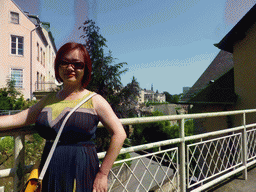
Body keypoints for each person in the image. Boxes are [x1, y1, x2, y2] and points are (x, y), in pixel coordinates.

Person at [0, 42, 127, 192]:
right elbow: (16, 119)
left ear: (85, 69)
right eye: (64, 62)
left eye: (77, 64)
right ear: (57, 66)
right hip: (50, 169)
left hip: (81, 171)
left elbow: (119, 134)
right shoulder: (48, 99)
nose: (70, 68)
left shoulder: (95, 100)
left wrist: (103, 173)